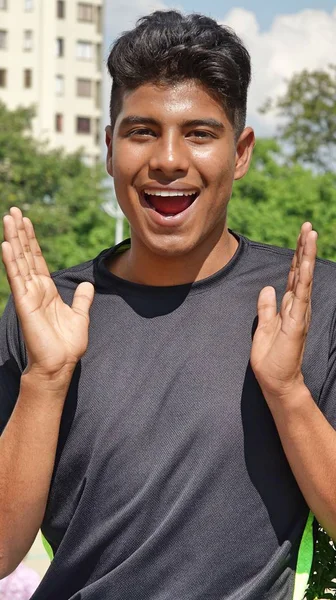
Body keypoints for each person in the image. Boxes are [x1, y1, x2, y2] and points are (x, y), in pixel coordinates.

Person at [0, 9, 336, 600]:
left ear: (241, 152)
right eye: (141, 131)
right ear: (110, 148)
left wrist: (288, 392)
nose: (169, 160)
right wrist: (45, 379)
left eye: (200, 133)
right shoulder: (45, 314)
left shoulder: (307, 303)